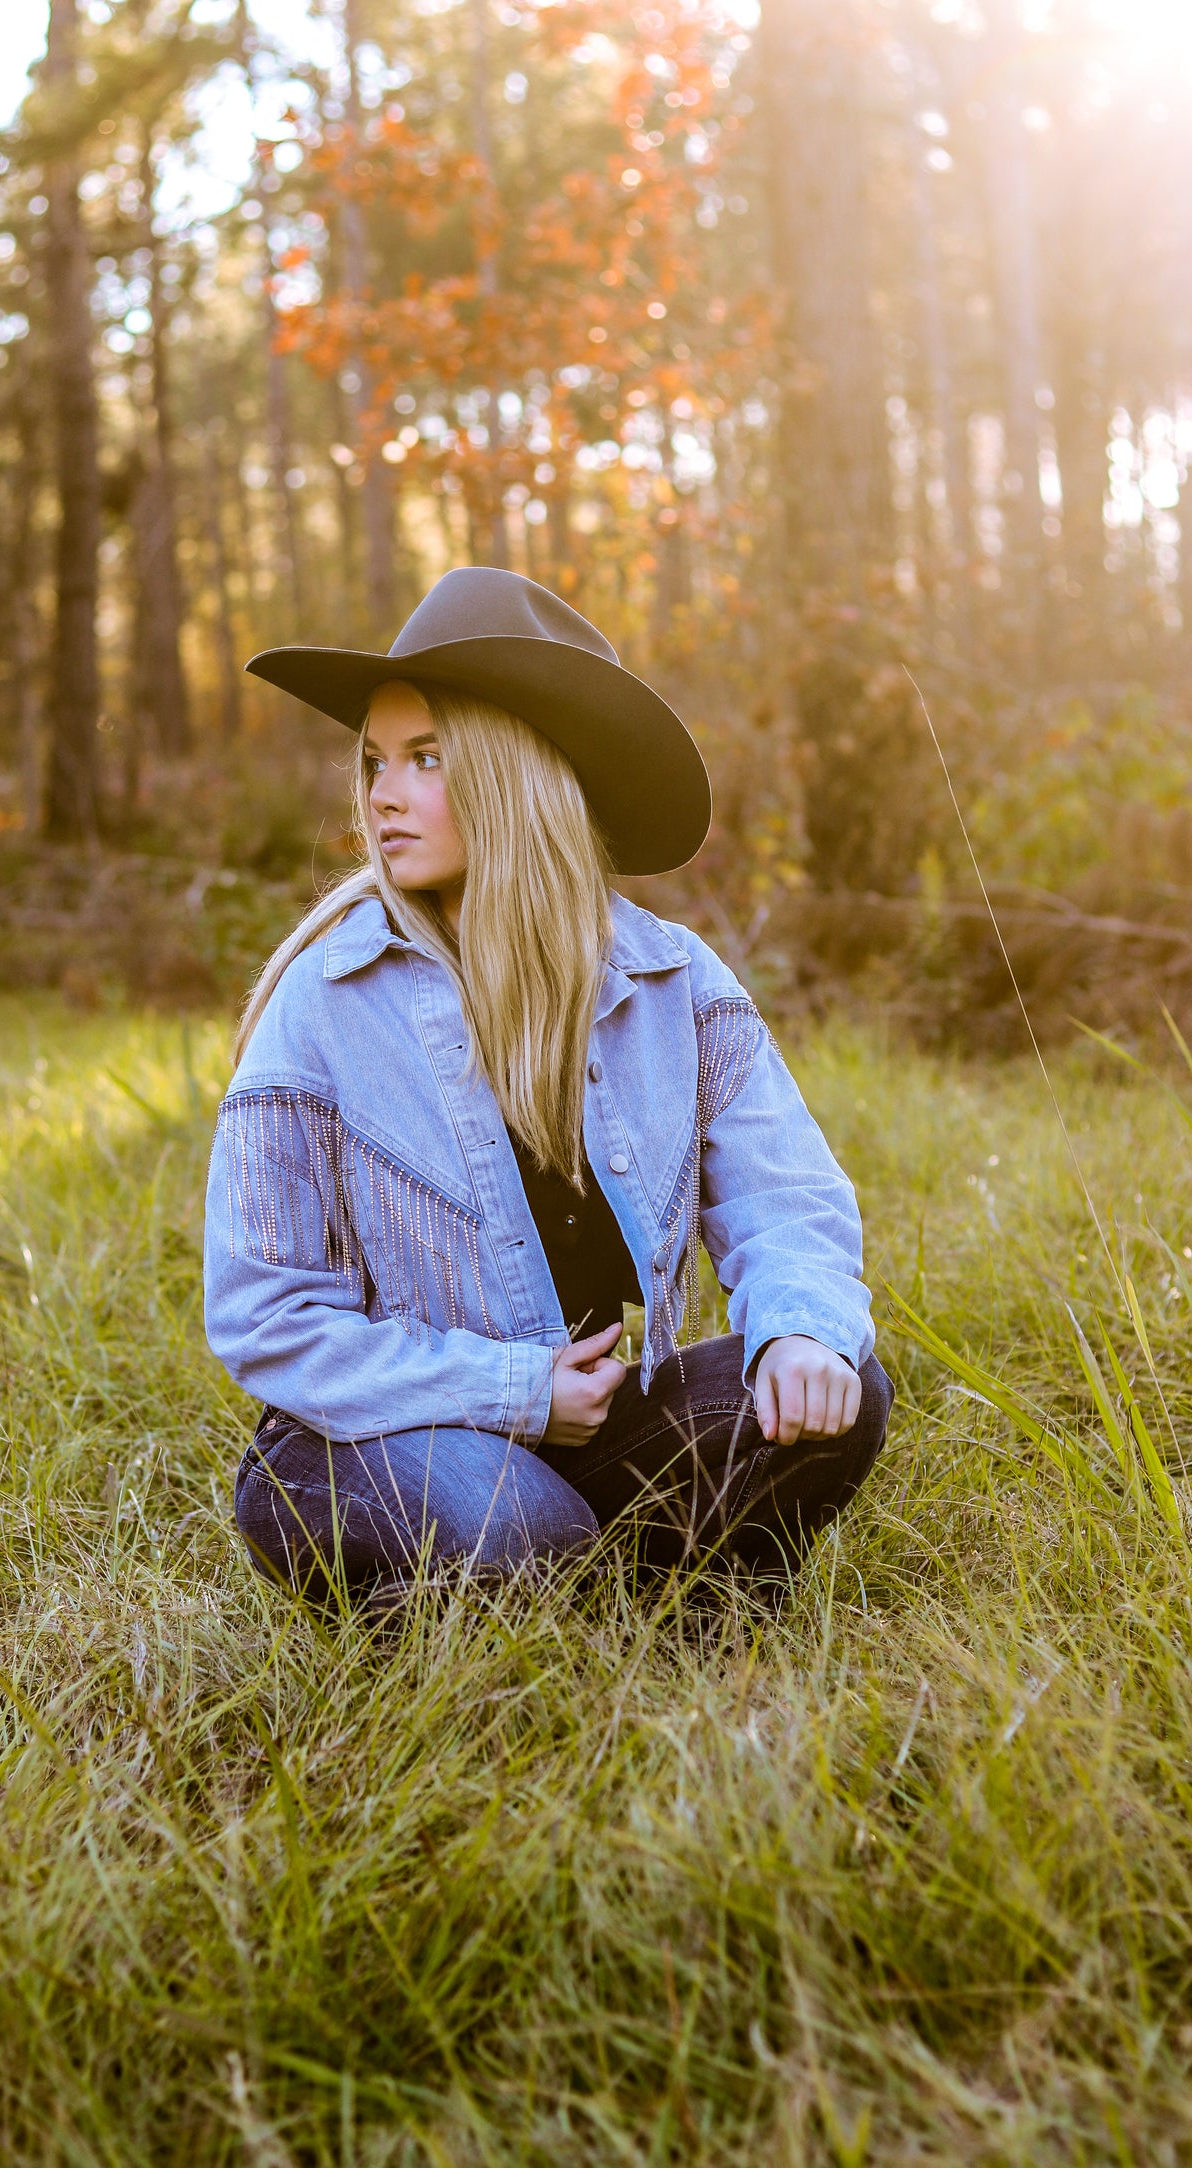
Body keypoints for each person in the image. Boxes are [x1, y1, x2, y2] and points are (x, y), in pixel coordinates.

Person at [204, 568, 891, 1602]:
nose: (383, 792)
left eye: (425, 758)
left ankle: (672, 1611)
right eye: (375, 761)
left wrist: (798, 1325)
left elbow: (780, 1194)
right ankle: (524, 1593)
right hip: (367, 1438)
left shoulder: (673, 981)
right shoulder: (327, 1000)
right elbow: (267, 1314)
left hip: (589, 1423)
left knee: (841, 1388)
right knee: (522, 1522)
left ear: (517, 773)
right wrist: (513, 1391)